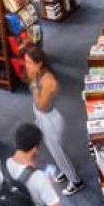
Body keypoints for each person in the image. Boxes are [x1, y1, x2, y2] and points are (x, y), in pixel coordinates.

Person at [24, 44, 83, 195]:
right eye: (26, 62)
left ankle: (75, 181)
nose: (27, 66)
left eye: (29, 62)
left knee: (58, 151)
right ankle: (64, 170)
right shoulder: (38, 75)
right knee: (53, 149)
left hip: (50, 119)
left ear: (39, 63)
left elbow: (42, 106)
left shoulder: (47, 80)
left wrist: (35, 88)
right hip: (43, 118)